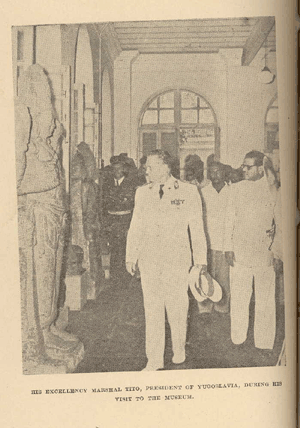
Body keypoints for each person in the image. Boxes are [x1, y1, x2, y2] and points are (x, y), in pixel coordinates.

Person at [126, 150, 207, 371]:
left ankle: (179, 349)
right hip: (149, 260)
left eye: (151, 167)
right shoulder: (142, 193)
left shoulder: (189, 191)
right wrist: (131, 256)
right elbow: (136, 226)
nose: (147, 170)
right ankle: (154, 360)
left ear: (165, 167)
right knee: (152, 310)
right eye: (146, 167)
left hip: (177, 262)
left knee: (178, 309)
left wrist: (200, 262)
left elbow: (197, 229)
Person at [224, 150, 277, 350]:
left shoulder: (273, 190)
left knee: (265, 298)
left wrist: (277, 247)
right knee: (239, 296)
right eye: (243, 166)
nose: (243, 169)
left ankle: (263, 343)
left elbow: (283, 219)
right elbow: (229, 219)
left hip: (265, 250)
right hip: (240, 251)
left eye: (248, 166)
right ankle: (238, 338)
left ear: (260, 168)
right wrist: (228, 247)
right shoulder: (236, 189)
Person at [199, 162, 231, 313]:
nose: (214, 175)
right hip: (207, 243)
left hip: (226, 244)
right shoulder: (203, 192)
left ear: (224, 173)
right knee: (205, 278)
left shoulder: (232, 191)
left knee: (224, 279)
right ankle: (205, 309)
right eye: (211, 172)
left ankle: (222, 309)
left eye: (218, 172)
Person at [102, 156, 136, 282]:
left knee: (125, 248)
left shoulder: (131, 184)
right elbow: (104, 204)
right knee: (114, 249)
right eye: (114, 169)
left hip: (125, 220)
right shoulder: (107, 184)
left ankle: (126, 276)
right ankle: (115, 277)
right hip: (112, 221)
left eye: (119, 169)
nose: (116, 172)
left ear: (124, 170)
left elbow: (133, 206)